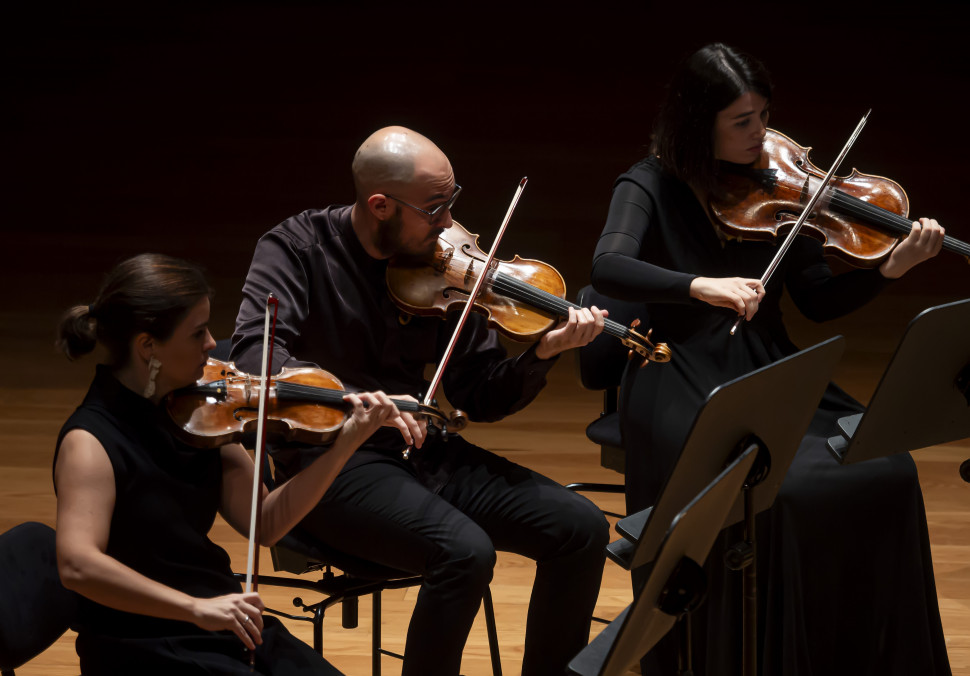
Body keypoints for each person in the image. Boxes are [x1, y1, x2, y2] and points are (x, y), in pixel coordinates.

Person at [591, 44, 949, 675]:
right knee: (779, 493)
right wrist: (699, 285)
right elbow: (607, 265)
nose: (762, 135)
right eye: (743, 122)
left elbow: (817, 301)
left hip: (767, 362)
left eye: (762, 115)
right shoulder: (647, 182)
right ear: (697, 122)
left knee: (887, 469)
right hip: (677, 369)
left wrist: (891, 269)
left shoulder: (780, 190)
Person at [230, 126, 611, 676]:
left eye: (452, 202)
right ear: (380, 205)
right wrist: (356, 403)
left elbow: (482, 396)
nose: (450, 224)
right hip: (329, 469)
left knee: (580, 528)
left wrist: (543, 353)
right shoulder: (295, 248)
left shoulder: (443, 268)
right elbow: (253, 361)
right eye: (435, 209)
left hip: (421, 455)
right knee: (464, 553)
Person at [54, 253, 411, 675]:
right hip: (142, 641)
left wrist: (344, 446)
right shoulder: (90, 442)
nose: (211, 345)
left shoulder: (198, 411)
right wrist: (195, 609)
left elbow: (267, 521)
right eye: (198, 332)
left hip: (223, 620)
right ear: (147, 346)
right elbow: (77, 565)